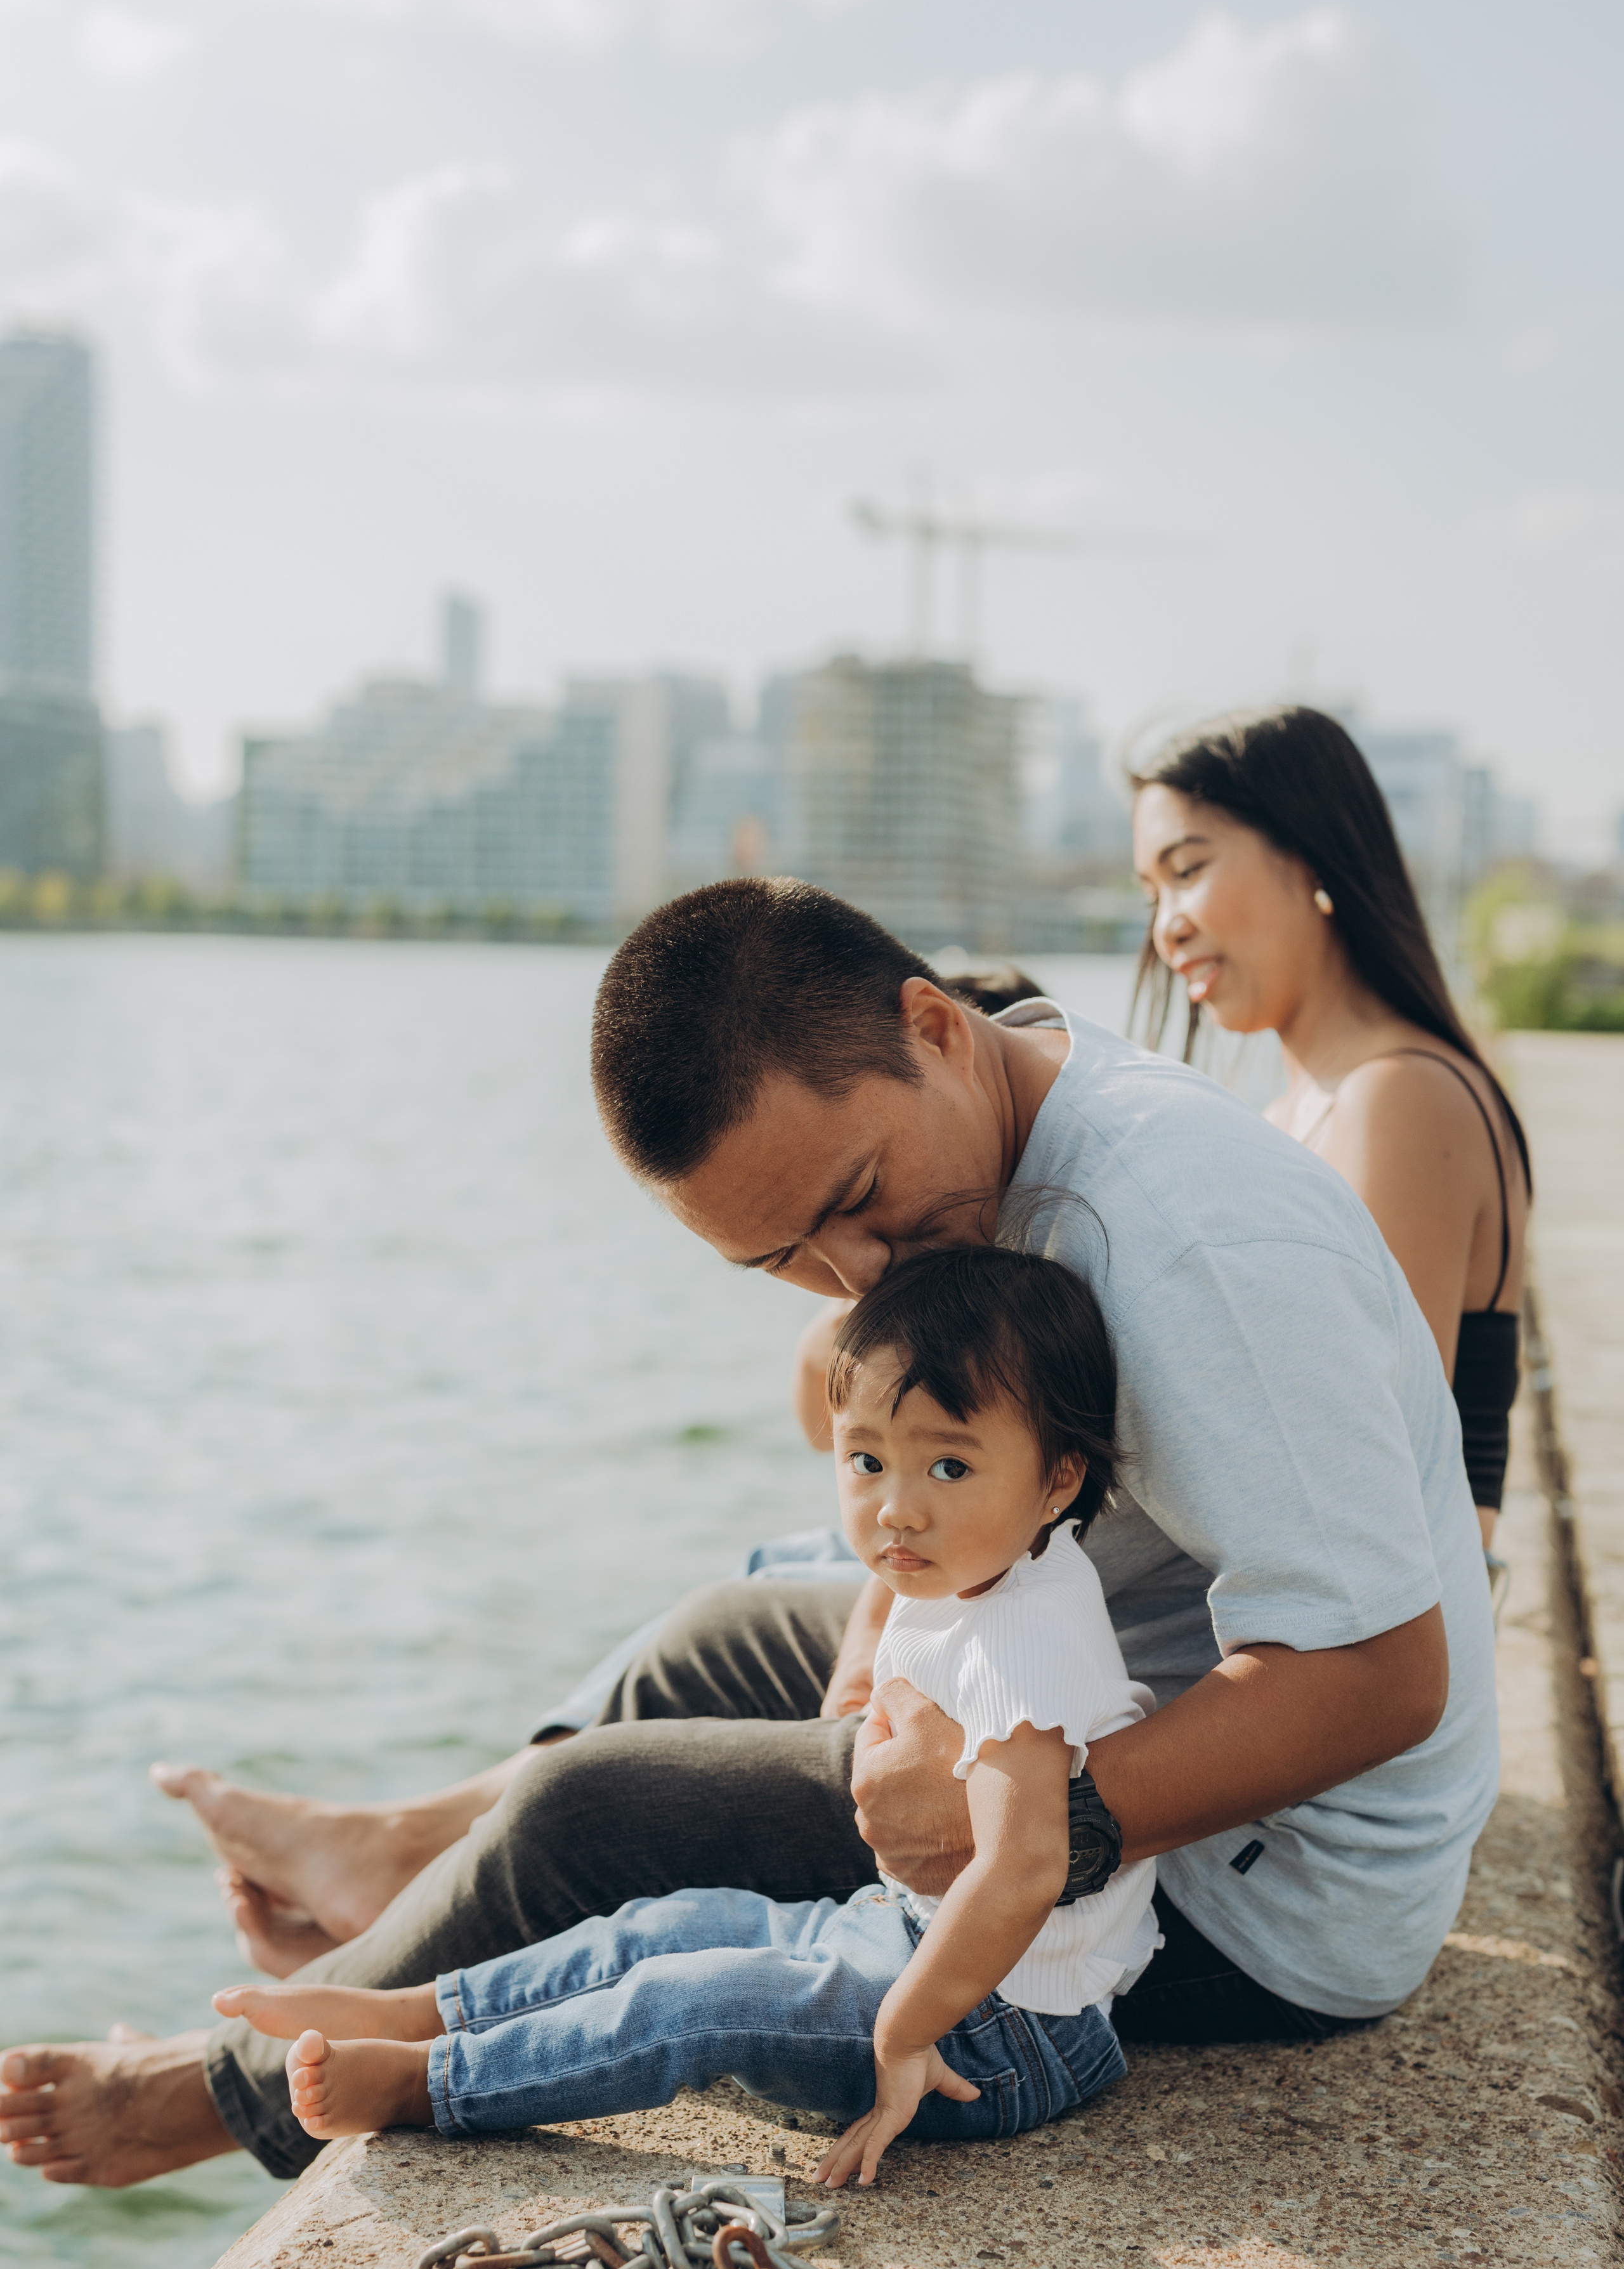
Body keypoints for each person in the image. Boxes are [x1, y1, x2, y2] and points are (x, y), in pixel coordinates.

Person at [1, 878, 1492, 2188]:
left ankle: (210, 2099)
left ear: (930, 1026)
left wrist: (1053, 1821)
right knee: (712, 1641)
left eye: (854, 1201)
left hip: (1266, 1894)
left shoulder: (1185, 1245)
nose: (850, 1271)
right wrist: (880, 1609)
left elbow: (1377, 1675)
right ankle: (403, 1873)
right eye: (779, 1258)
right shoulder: (1029, 1080)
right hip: (1109, 1666)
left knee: (595, 1816)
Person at [206, 1248, 1153, 2188]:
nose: (897, 1510)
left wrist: (904, 2033)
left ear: (1059, 1480)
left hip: (999, 2037)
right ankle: (427, 2010)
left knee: (688, 2003)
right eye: (865, 1460)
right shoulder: (976, 1560)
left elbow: (1024, 1865)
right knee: (667, 1926)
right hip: (917, 1945)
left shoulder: (1025, 1644)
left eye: (949, 1466)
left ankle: (435, 2081)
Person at [1128, 705, 1530, 1546]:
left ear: (1308, 855)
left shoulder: (1400, 1099)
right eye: (1153, 893)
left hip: (1365, 1647)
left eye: (1189, 869)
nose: (1167, 927)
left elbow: (1358, 1456)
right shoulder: (1299, 1111)